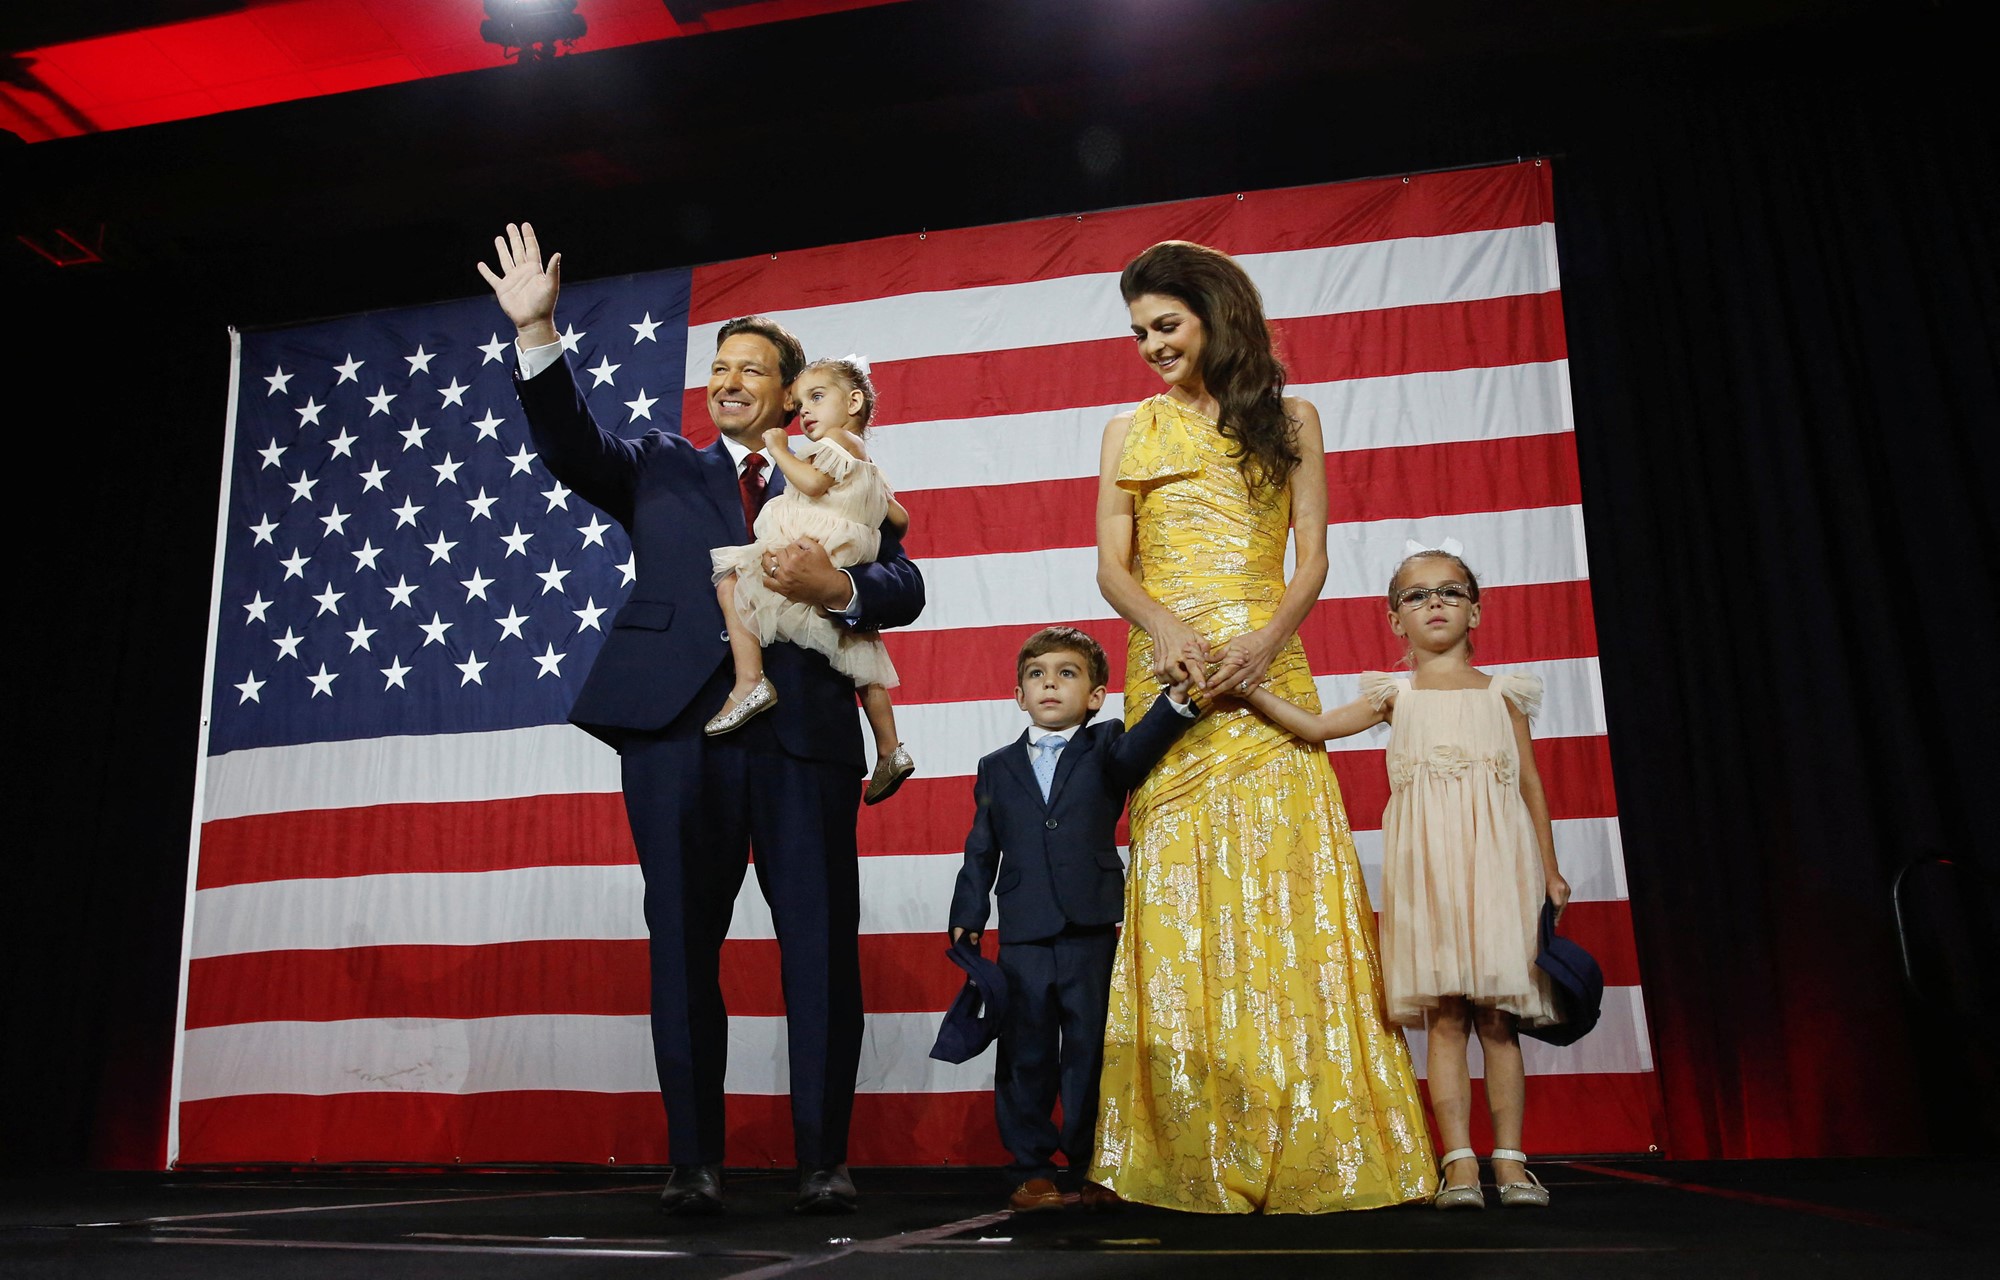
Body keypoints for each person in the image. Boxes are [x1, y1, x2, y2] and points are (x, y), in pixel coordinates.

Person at [477, 224, 925, 1215]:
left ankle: (821, 1159)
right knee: (680, 939)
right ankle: (694, 1161)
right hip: (678, 731)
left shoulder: (843, 475)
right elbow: (565, 442)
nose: (726, 380)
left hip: (804, 731)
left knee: (819, 944)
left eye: (749, 369)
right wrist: (539, 334)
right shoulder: (652, 463)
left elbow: (904, 584)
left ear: (790, 388)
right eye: (717, 367)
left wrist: (840, 584)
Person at [1087, 240, 1435, 1213]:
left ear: (1214, 314)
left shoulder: (1291, 419)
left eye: (1165, 324)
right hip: (1170, 685)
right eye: (1138, 331)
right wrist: (1163, 627)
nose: (1150, 344)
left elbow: (1312, 560)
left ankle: (1313, 1143)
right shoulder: (1128, 429)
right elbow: (1112, 567)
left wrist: (1258, 643)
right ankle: (1187, 1150)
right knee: (1179, 897)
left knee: (1289, 893)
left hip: (1266, 670)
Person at [1246, 548, 1571, 1209]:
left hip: (1499, 869)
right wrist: (1247, 685)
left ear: (1475, 610)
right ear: (1395, 620)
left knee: (1500, 1019)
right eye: (1417, 596)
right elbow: (1314, 726)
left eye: (1450, 592)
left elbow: (1530, 784)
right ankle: (1456, 1163)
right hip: (1430, 873)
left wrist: (1550, 869)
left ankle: (1509, 1160)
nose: (1435, 604)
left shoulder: (1504, 694)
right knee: (1447, 1018)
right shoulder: (1396, 696)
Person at [947, 627, 1198, 1213]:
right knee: (1025, 1049)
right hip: (1025, 930)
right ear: (1018, 695)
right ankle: (1032, 1167)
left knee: (1090, 1048)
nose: (1050, 684)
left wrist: (1177, 701)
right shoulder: (996, 766)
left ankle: (1091, 1165)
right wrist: (968, 911)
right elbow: (981, 846)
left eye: (1067, 674)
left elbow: (1142, 751)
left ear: (1095, 695)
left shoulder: (1107, 743)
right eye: (1037, 675)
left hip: (1090, 925)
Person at [707, 357, 916, 805]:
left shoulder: (834, 443)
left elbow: (813, 484)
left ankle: (749, 681)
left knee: (730, 579)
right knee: (861, 654)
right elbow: (898, 517)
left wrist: (782, 449)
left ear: (854, 401)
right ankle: (890, 749)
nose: (804, 413)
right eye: (800, 404)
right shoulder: (868, 463)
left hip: (808, 550)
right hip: (841, 551)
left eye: (816, 398)